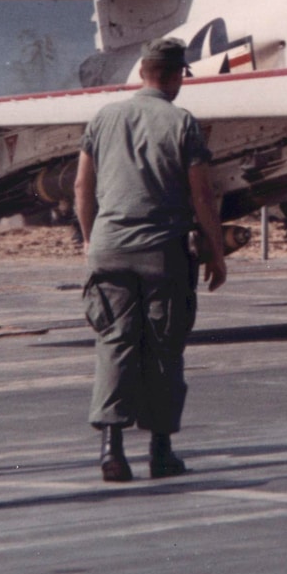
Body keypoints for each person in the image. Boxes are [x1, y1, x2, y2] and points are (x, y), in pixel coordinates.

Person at [75, 37, 226, 482]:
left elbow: (82, 187)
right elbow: (202, 193)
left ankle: (111, 450)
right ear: (177, 75)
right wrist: (216, 252)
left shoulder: (103, 117)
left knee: (115, 344)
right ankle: (160, 452)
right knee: (164, 347)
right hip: (163, 252)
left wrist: (90, 240)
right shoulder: (182, 121)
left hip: (109, 249)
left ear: (142, 72)